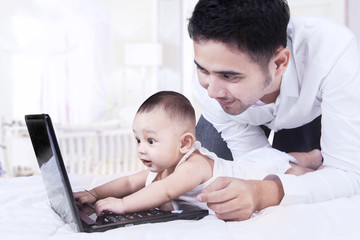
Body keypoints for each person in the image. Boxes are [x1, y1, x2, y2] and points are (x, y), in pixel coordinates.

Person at [188, 0, 360, 221]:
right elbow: (252, 163)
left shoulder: (333, 51)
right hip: (239, 114)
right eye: (202, 70)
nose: (211, 91)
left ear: (279, 63)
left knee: (319, 188)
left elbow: (349, 173)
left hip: (309, 115)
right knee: (207, 172)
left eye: (229, 76)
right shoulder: (209, 89)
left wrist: (264, 192)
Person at [74, 91, 322, 216]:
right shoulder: (163, 168)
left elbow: (164, 191)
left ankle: (313, 159)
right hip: (251, 161)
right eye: (138, 139)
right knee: (279, 157)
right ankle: (307, 156)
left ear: (184, 144)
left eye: (151, 140)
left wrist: (123, 205)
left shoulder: (194, 166)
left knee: (294, 170)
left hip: (258, 172)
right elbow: (129, 181)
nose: (141, 148)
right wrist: (94, 193)